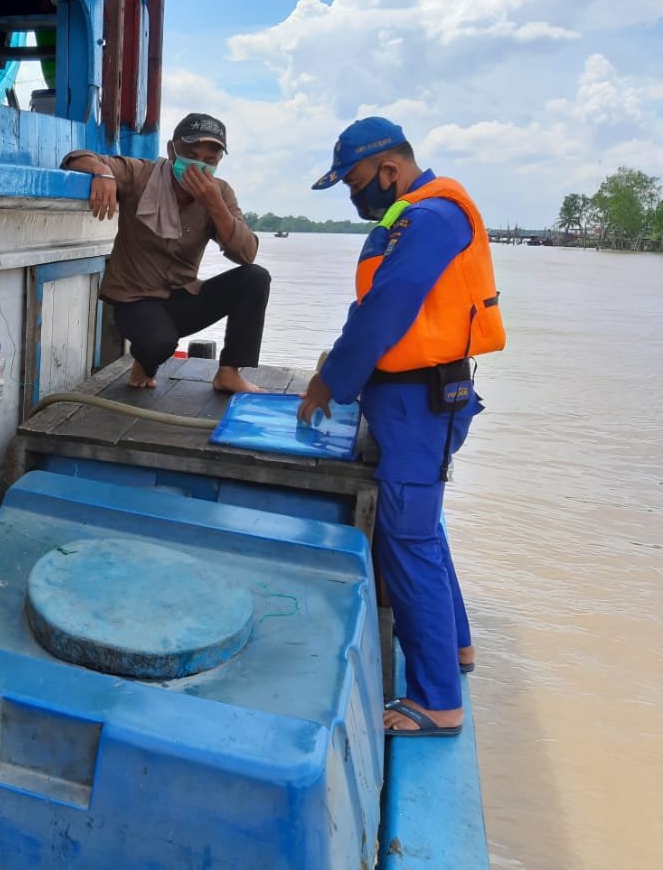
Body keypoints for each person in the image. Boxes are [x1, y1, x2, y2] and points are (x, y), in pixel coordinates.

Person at [297, 118, 505, 738]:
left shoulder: (433, 218)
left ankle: (438, 701)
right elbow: (370, 309)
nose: (355, 197)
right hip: (407, 401)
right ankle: (458, 648)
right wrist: (338, 367)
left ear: (390, 170)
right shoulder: (410, 218)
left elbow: (389, 309)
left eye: (357, 182)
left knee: (406, 538)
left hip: (421, 404)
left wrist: (330, 383)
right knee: (424, 529)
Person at [62, 113, 271, 393]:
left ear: (219, 162)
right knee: (158, 342)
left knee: (255, 278)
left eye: (209, 160)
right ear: (172, 150)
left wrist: (214, 204)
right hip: (134, 300)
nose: (199, 165)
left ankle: (229, 373)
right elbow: (76, 158)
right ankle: (146, 363)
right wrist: (104, 173)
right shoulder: (142, 175)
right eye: (190, 154)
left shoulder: (220, 192)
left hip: (183, 296)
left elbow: (247, 253)